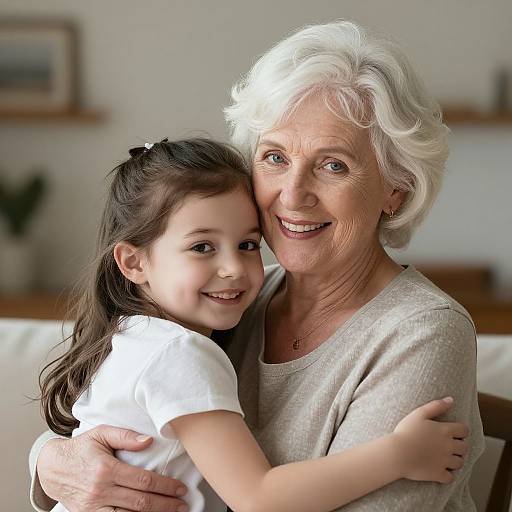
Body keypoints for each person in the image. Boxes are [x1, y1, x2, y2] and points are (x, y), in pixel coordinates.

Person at [30, 21, 485, 512]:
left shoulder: (422, 332)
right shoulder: (231, 300)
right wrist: (51, 461)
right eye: (274, 157)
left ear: (396, 187)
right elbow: (118, 422)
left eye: (333, 165)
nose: (293, 194)